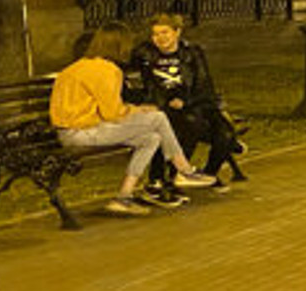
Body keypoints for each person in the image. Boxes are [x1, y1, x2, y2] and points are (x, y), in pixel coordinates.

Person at [51, 21, 221, 216]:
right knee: (157, 117)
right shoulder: (107, 70)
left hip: (70, 130)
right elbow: (112, 114)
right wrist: (137, 110)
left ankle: (123, 196)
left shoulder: (78, 67)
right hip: (81, 133)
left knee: (151, 138)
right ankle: (184, 170)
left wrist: (135, 110)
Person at [130, 12, 244, 188]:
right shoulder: (144, 54)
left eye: (164, 32)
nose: (160, 38)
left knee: (226, 135)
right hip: (164, 108)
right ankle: (176, 175)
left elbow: (204, 86)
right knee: (191, 124)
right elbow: (136, 85)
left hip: (194, 104)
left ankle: (208, 174)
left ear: (177, 32)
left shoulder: (191, 53)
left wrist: (186, 101)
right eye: (155, 34)